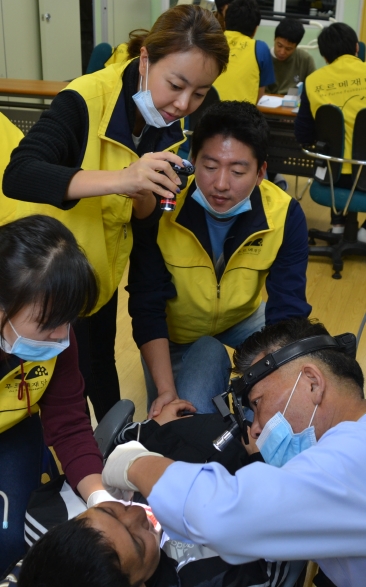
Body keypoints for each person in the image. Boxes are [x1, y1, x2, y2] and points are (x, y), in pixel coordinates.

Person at [2, 5, 229, 423]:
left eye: (199, 93)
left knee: (98, 375)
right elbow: (19, 174)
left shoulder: (165, 129)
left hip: (96, 277)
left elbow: (143, 246)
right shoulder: (85, 99)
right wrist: (123, 179)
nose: (183, 104)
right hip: (37, 274)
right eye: (175, 85)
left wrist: (165, 393)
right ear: (144, 59)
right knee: (28, 395)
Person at [102, 317, 366, 587]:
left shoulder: (352, 461)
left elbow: (219, 513)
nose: (255, 429)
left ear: (312, 383)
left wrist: (134, 463)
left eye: (258, 402)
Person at [128, 100, 311, 417]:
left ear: (261, 172)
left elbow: (288, 307)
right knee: (186, 415)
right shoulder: (161, 207)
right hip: (176, 330)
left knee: (282, 404)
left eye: (238, 171)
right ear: (192, 160)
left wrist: (275, 387)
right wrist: (167, 392)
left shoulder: (284, 213)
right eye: (209, 167)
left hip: (242, 318)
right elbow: (146, 304)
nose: (221, 184)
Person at [16, 401, 289, 587]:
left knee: (205, 354)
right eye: (137, 540)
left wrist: (152, 427)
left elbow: (114, 448)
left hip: (181, 432)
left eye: (108, 509)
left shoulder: (46, 521)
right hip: (266, 470)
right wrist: (260, 461)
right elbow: (280, 544)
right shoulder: (213, 578)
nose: (136, 512)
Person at [0, 214, 107, 577]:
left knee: (15, 539)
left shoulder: (57, 339)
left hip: (14, 429)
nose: (61, 336)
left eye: (69, 319)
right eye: (47, 325)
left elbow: (70, 425)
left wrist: (98, 496)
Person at [294, 22, 366, 239]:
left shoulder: (312, 81)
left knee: (330, 152)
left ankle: (337, 226)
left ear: (324, 57)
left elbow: (303, 135)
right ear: (356, 47)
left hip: (330, 176)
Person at [213, 0, 275, 104]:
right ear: (256, 29)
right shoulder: (260, 48)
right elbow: (259, 93)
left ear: (225, 22)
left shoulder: (210, 43)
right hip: (241, 116)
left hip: (205, 114)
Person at [266, 18, 316, 96]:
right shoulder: (263, 58)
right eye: (279, 45)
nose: (282, 52)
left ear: (296, 46)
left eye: (288, 49)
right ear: (274, 39)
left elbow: (313, 90)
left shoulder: (305, 60)